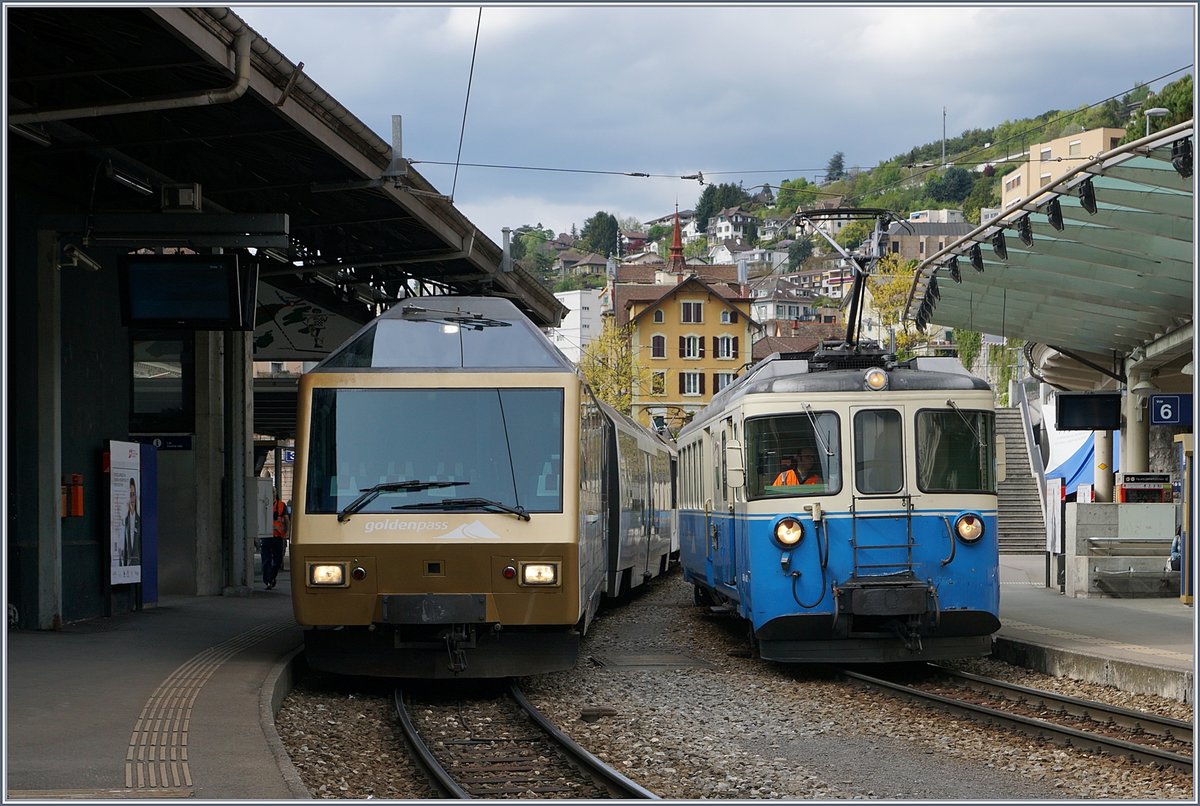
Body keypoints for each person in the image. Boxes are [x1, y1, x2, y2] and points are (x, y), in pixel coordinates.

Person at [263, 493, 289, 590]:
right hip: (266, 536)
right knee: (266, 560)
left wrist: (287, 532)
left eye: (273, 492)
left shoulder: (282, 505)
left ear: (275, 494)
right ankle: (268, 580)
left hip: (278, 536)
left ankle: (272, 577)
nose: (272, 494)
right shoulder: (263, 504)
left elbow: (286, 520)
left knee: (278, 560)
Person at [123, 477, 141, 566]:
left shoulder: (140, 520)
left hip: (138, 565)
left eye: (133, 494)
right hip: (128, 566)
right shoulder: (126, 521)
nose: (132, 498)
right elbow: (125, 546)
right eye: (130, 495)